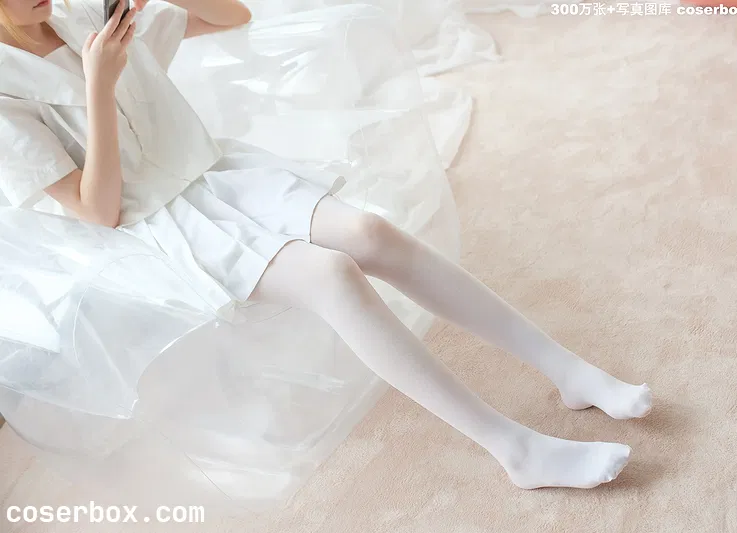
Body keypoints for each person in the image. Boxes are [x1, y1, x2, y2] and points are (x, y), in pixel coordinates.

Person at [0, 0, 652, 490]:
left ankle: (567, 371)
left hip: (214, 172)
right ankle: (516, 450)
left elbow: (232, 15)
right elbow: (99, 210)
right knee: (332, 276)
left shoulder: (80, 13)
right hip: (156, 224)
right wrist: (99, 84)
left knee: (370, 232)